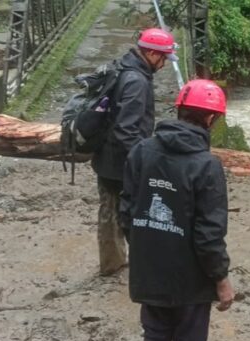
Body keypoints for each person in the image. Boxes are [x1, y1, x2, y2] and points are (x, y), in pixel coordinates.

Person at [120, 79, 234, 341]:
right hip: (190, 280)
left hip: (148, 269)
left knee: (155, 340)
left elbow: (126, 210)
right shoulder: (207, 166)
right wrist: (221, 278)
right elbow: (209, 234)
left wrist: (145, 245)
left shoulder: (141, 151)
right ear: (210, 118)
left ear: (179, 109)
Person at [91, 28, 178, 276]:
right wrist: (143, 160)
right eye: (163, 58)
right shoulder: (137, 81)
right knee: (131, 213)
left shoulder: (123, 67)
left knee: (110, 211)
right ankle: (133, 266)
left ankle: (113, 263)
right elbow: (126, 129)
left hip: (106, 158)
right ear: (151, 54)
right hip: (120, 164)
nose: (163, 64)